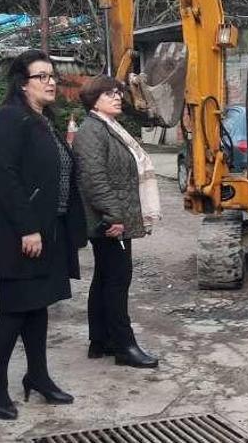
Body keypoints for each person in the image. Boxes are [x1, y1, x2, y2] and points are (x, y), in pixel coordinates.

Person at [0, 50, 86, 419]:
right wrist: (28, 228)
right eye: (43, 76)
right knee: (12, 311)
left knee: (38, 309)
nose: (51, 81)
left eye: (53, 75)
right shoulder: (9, 119)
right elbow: (4, 178)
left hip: (47, 232)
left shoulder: (43, 121)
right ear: (23, 83)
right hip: (18, 236)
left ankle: (37, 376)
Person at [73, 75, 162, 369]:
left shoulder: (107, 127)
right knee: (117, 280)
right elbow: (94, 178)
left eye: (118, 92)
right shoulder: (92, 131)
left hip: (113, 219)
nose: (117, 97)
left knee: (105, 278)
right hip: (110, 222)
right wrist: (114, 216)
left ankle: (101, 340)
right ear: (93, 99)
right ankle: (124, 346)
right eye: (109, 93)